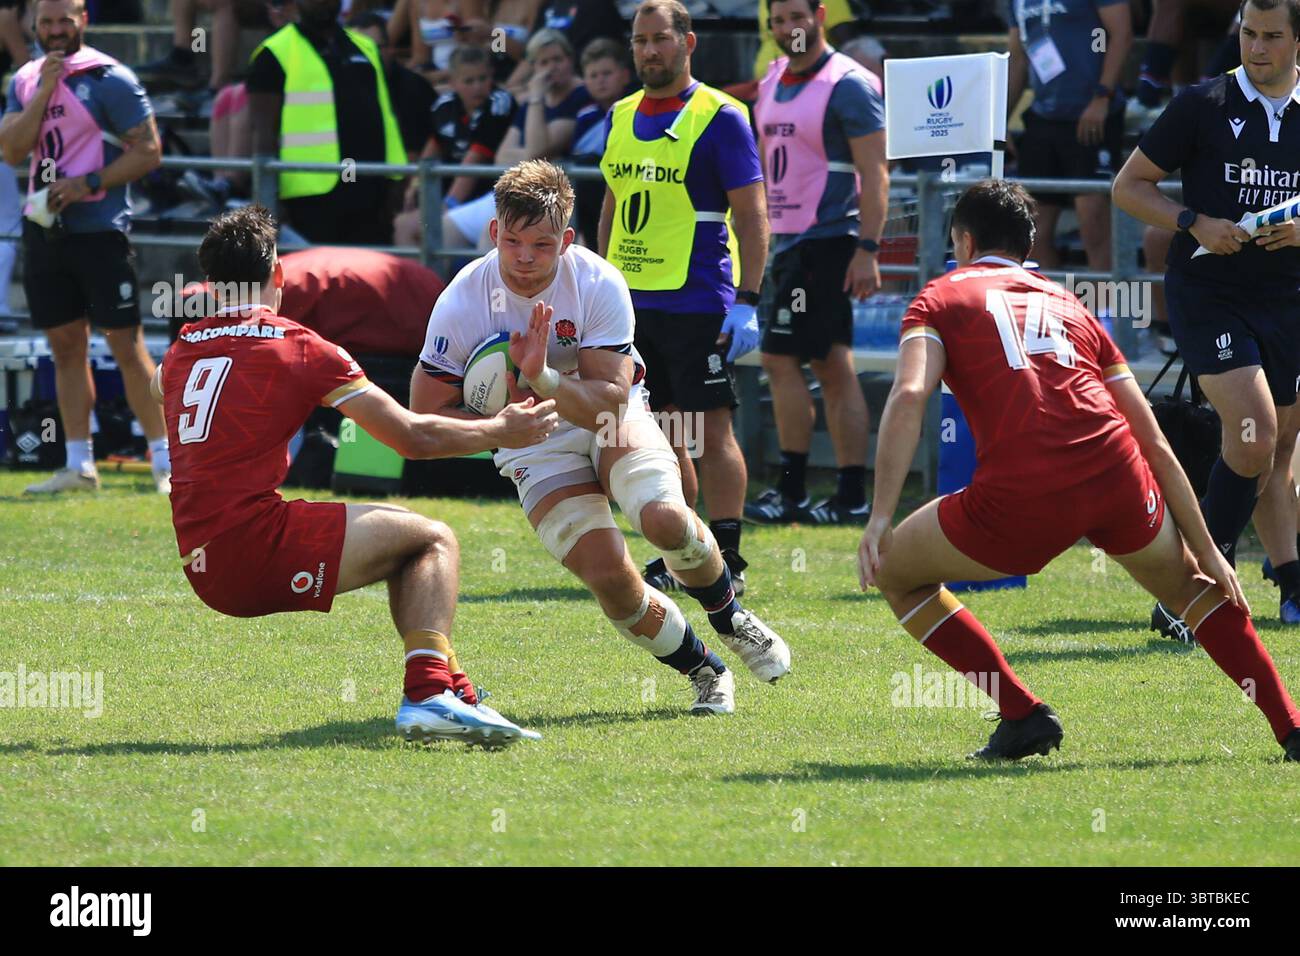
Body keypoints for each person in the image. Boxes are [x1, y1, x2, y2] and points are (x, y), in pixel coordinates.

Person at [859, 179, 1300, 763]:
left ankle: (1021, 714)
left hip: (1023, 493)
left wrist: (879, 516)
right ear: (1028, 247)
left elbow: (911, 394)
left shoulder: (939, 297)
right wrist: (1209, 550)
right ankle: (1292, 727)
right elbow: (1153, 441)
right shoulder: (1070, 304)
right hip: (1116, 473)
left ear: (963, 242)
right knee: (1193, 590)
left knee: (897, 573)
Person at [156, 205, 559, 745]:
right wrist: (499, 430)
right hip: (253, 545)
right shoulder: (299, 346)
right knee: (432, 541)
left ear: (209, 283)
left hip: (199, 559)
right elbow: (411, 437)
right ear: (278, 275)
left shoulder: (182, 348)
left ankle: (449, 686)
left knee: (399, 539)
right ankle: (429, 695)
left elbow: (166, 389)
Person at [412, 160, 791, 715]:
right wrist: (498, 428)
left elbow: (611, 399)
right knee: (609, 576)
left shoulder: (597, 281)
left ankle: (728, 611)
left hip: (605, 415)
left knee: (662, 517)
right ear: (493, 232)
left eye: (541, 245)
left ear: (566, 240)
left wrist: (542, 377)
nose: (523, 258)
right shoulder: (461, 300)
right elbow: (424, 419)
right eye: (512, 241)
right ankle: (705, 670)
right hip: (529, 440)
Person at [1112, 0, 1300, 626]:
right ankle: (1192, 587)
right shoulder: (1202, 103)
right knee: (1255, 434)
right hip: (1209, 294)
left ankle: (1292, 583)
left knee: (1275, 452)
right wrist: (1195, 222)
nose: (1257, 47)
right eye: (1249, 33)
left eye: (1273, 36)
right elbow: (1129, 187)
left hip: (1288, 300)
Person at [598, 0, 768, 596]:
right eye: (640, 40)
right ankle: (686, 552)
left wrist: (748, 298)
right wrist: (598, 279)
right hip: (632, 304)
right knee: (667, 433)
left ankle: (730, 557)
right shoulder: (619, 114)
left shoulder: (721, 115)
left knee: (710, 431)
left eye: (661, 40)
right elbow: (614, 205)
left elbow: (751, 213)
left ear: (688, 43)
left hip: (698, 301)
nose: (649, 51)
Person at [0, 0, 171, 495]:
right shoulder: (27, 78)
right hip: (46, 230)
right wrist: (45, 91)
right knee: (66, 348)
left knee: (125, 345)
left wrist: (87, 182)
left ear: (83, 21)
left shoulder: (110, 78)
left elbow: (150, 151)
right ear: (34, 23)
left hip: (100, 231)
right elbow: (12, 149)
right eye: (47, 22)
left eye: (65, 21)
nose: (56, 31)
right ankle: (80, 464)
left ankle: (165, 462)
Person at [744, 0, 885, 527]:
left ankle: (828, 494)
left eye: (796, 17)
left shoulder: (849, 82)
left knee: (818, 362)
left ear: (821, 14)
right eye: (777, 21)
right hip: (786, 241)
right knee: (804, 361)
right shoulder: (774, 76)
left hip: (829, 240)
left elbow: (876, 171)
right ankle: (808, 492)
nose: (787, 29)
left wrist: (868, 249)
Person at [247, 0, 405, 245]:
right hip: (309, 198)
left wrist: (395, 179)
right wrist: (268, 200)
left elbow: (387, 118)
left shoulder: (365, 48)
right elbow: (262, 133)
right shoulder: (273, 53)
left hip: (370, 191)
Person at [1006, 0, 1132, 273]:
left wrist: (1102, 96)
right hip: (1043, 117)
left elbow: (1122, 33)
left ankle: (1107, 312)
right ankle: (1052, 309)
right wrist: (999, 120)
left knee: (1094, 227)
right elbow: (1017, 58)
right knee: (1032, 234)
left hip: (1092, 115)